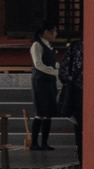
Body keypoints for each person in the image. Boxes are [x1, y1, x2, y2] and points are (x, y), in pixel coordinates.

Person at [26, 27, 70, 156]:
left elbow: (54, 63)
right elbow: (38, 64)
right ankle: (34, 142)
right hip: (40, 81)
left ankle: (45, 142)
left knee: (49, 112)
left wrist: (62, 69)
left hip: (49, 81)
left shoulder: (49, 46)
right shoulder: (36, 45)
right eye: (54, 31)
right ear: (46, 32)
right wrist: (55, 72)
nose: (56, 34)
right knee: (40, 112)